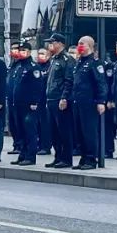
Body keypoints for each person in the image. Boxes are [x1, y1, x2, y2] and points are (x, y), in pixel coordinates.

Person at [71, 35, 107, 170]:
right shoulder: (79, 62)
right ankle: (84, 158)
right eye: (78, 43)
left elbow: (101, 83)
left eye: (82, 44)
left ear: (90, 46)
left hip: (89, 103)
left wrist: (101, 101)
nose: (79, 46)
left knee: (89, 131)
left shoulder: (95, 63)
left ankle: (91, 159)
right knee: (79, 132)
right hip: (78, 102)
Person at [11, 41, 45, 166]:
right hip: (18, 104)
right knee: (20, 130)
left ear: (29, 52)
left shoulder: (33, 67)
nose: (21, 53)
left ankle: (30, 157)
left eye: (24, 50)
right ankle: (23, 154)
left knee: (29, 130)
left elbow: (38, 86)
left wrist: (34, 101)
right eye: (20, 50)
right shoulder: (19, 66)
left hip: (29, 104)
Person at [44, 34, 75, 169]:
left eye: (53, 42)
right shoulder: (54, 59)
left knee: (64, 130)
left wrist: (64, 97)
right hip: (51, 98)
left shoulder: (67, 60)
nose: (50, 45)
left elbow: (69, 80)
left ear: (61, 44)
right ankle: (58, 157)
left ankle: (66, 158)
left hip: (60, 100)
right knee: (53, 131)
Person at [6, 42, 23, 155]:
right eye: (12, 49)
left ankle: (21, 145)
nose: (14, 51)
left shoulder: (23, 64)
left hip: (20, 100)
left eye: (16, 49)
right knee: (11, 123)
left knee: (19, 123)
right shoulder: (12, 64)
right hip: (10, 99)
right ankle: (16, 144)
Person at [34, 48, 52, 158]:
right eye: (39, 53)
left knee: (45, 124)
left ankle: (46, 146)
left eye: (43, 54)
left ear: (48, 55)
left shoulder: (50, 67)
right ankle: (39, 145)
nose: (40, 55)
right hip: (36, 100)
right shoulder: (36, 67)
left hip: (46, 99)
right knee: (37, 124)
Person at [101, 47, 117, 159]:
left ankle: (108, 149)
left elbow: (111, 83)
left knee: (107, 126)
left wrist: (111, 100)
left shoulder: (108, 65)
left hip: (107, 100)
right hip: (99, 100)